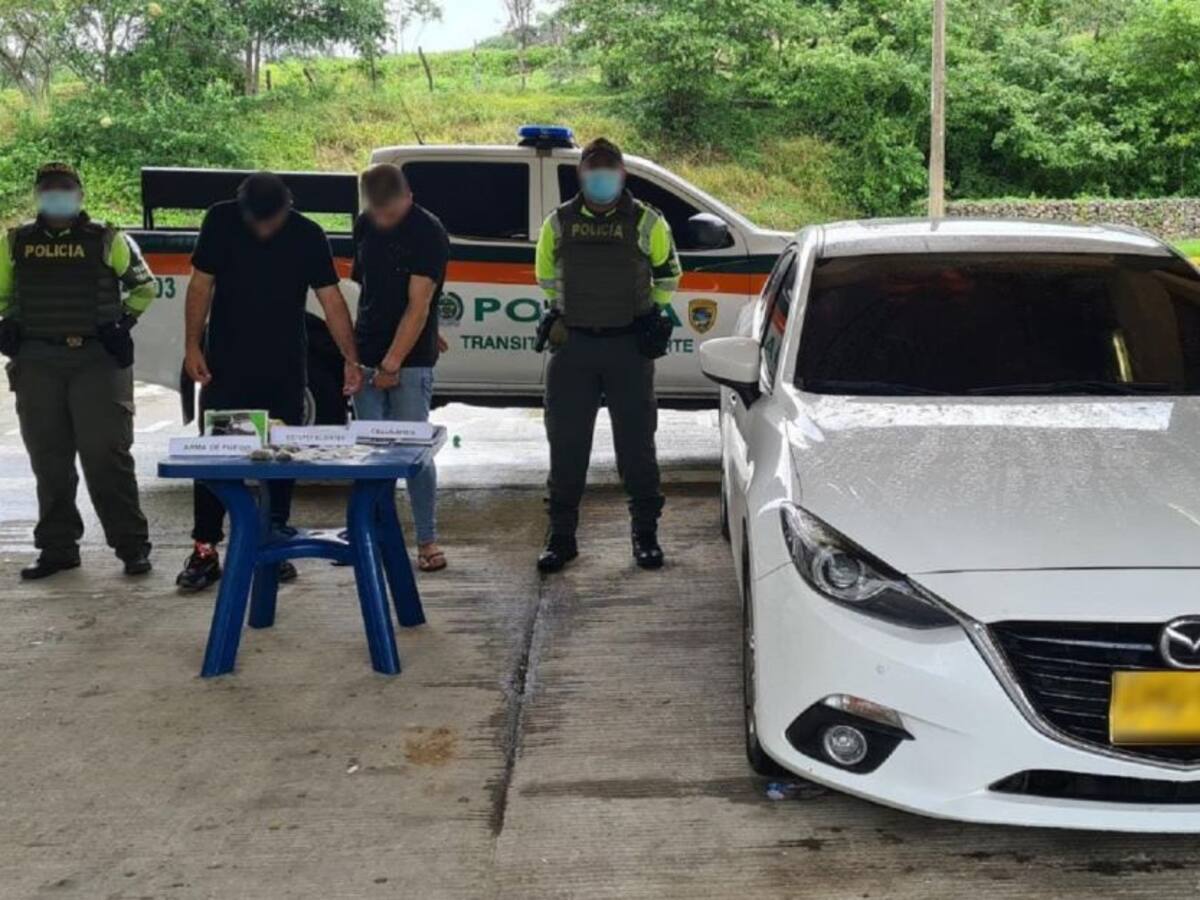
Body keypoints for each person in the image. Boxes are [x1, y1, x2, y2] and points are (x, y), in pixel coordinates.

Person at [176, 172, 363, 592]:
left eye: (270, 221)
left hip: (283, 366)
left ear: (287, 208)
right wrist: (192, 345)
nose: (262, 228)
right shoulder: (220, 221)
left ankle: (272, 538)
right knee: (216, 456)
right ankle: (205, 548)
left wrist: (350, 358)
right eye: (254, 220)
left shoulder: (308, 234)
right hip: (227, 364)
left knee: (280, 455)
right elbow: (201, 285)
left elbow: (330, 299)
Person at [0, 163, 155, 580]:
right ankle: (57, 547)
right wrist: (7, 322)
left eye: (65, 189)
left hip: (96, 360)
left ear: (80, 194)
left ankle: (131, 546)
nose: (57, 196)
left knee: (105, 455)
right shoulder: (15, 242)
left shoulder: (108, 239)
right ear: (36, 195)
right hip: (38, 361)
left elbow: (145, 286)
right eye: (48, 189)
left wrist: (124, 323)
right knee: (49, 460)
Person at [534, 138, 682, 573]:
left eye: (609, 172)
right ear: (581, 175)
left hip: (628, 346)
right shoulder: (558, 222)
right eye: (593, 172)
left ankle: (645, 535)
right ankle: (561, 537)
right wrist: (573, 309)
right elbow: (544, 275)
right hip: (574, 346)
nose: (601, 180)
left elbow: (669, 273)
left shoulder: (647, 221)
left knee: (637, 445)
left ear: (622, 175)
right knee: (566, 445)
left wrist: (645, 311)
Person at [351, 163, 450, 572]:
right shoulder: (365, 225)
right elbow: (367, 290)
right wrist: (357, 357)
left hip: (408, 362)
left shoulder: (428, 232)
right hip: (367, 351)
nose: (383, 221)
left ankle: (426, 540)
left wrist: (394, 361)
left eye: (389, 213)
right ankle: (371, 537)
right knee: (371, 454)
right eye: (377, 213)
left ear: (407, 197)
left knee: (413, 453)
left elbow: (418, 304)